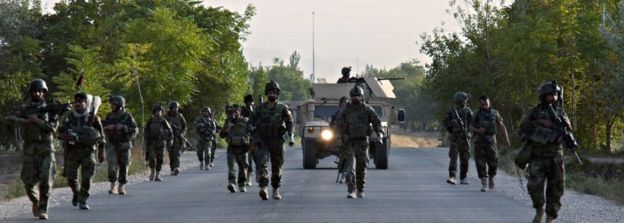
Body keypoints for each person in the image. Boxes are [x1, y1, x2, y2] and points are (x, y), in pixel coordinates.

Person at [4, 79, 60, 219]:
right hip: (30, 148)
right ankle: (35, 200)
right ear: (31, 93)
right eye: (35, 91)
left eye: (40, 91)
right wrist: (26, 121)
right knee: (28, 181)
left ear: (44, 93)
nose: (37, 93)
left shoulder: (51, 109)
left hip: (47, 147)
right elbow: (9, 119)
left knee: (46, 179)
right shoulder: (25, 109)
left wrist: (38, 121)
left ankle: (43, 209)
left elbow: (53, 128)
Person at [518, 81, 572, 223]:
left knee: (556, 189)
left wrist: (562, 134)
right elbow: (522, 127)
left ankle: (549, 217)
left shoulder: (561, 113)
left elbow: (568, 130)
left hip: (555, 156)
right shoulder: (535, 112)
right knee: (534, 186)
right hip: (537, 156)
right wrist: (540, 123)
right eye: (550, 95)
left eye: (555, 94)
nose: (553, 97)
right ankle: (539, 210)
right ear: (543, 96)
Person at [58, 93, 105, 210]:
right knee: (70, 177)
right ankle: (76, 193)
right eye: (76, 101)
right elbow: (60, 133)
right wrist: (65, 136)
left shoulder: (93, 118)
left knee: (87, 178)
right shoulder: (68, 118)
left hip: (88, 152)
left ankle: (83, 200)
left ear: (86, 103)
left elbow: (101, 137)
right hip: (72, 151)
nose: (78, 103)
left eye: (81, 101)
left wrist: (101, 151)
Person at [250, 80, 294, 200]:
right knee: (262, 163)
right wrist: (253, 135)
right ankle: (263, 187)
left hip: (277, 140)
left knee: (277, 165)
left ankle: (275, 189)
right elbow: (251, 122)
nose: (272, 95)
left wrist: (290, 135)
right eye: (270, 92)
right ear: (266, 94)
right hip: (263, 140)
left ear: (277, 94)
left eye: (274, 93)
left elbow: (290, 122)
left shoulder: (282, 108)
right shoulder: (260, 108)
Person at [335, 86, 382, 198]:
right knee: (350, 167)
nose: (356, 98)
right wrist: (338, 138)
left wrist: (379, 134)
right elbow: (338, 125)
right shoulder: (345, 109)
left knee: (362, 166)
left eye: (358, 96)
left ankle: (360, 189)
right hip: (348, 142)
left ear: (361, 97)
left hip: (362, 142)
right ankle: (352, 190)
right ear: (351, 97)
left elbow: (376, 122)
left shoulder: (367, 109)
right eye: (354, 96)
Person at [469, 96, 510, 192]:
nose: (484, 106)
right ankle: (484, 183)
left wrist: (506, 139)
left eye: (486, 104)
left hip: (491, 140)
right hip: (479, 140)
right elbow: (470, 126)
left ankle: (491, 177)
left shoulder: (494, 113)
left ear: (489, 103)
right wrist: (477, 130)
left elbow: (501, 126)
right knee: (480, 162)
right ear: (480, 104)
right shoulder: (476, 114)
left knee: (493, 161)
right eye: (482, 104)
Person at [103, 95, 138, 195]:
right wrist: (107, 127)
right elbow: (102, 126)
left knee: (124, 165)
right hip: (112, 144)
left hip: (124, 144)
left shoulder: (127, 116)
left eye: (113, 104)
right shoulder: (109, 116)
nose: (112, 106)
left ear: (119, 104)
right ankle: (112, 186)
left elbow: (135, 129)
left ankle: (121, 186)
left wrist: (124, 127)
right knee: (112, 164)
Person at [219, 104, 252, 193]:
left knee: (243, 167)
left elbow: (252, 131)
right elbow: (221, 135)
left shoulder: (246, 121)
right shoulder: (228, 121)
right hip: (231, 148)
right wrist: (228, 128)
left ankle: (242, 185)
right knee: (231, 167)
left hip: (243, 148)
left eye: (236, 111)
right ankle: (232, 183)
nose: (234, 113)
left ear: (240, 112)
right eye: (232, 112)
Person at [442, 91, 473, 185]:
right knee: (453, 158)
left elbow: (473, 123)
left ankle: (463, 177)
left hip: (465, 138)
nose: (465, 102)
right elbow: (444, 123)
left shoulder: (468, 111)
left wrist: (470, 133)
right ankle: (452, 176)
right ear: (459, 101)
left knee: (465, 158)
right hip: (455, 138)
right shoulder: (452, 111)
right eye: (464, 100)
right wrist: (452, 122)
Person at [144, 105, 173, 181]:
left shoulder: (164, 121)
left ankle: (157, 174)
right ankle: (152, 171)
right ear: (154, 113)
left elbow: (170, 131)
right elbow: (146, 131)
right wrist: (146, 140)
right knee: (151, 158)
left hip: (161, 142)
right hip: (152, 142)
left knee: (160, 159)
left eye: (160, 112)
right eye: (157, 112)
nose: (159, 113)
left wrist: (168, 140)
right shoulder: (150, 121)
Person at [165, 101, 187, 175]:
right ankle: (172, 168)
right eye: (174, 108)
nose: (176, 109)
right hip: (169, 138)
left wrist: (182, 133)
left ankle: (176, 167)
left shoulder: (180, 116)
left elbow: (184, 126)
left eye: (177, 108)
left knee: (176, 153)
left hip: (178, 137)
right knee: (171, 154)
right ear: (171, 108)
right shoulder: (166, 117)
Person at [330, 96, 348, 184]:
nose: (345, 104)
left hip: (353, 139)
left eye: (346, 102)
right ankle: (343, 175)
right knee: (343, 158)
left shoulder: (353, 113)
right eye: (343, 102)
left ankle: (351, 176)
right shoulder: (336, 115)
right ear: (340, 104)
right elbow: (332, 127)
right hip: (341, 139)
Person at [242, 94, 257, 186]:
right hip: (246, 138)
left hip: (256, 138)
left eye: (251, 102)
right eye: (248, 102)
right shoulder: (242, 111)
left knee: (259, 159)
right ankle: (248, 177)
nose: (250, 104)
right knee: (248, 159)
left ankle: (259, 174)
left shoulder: (256, 111)